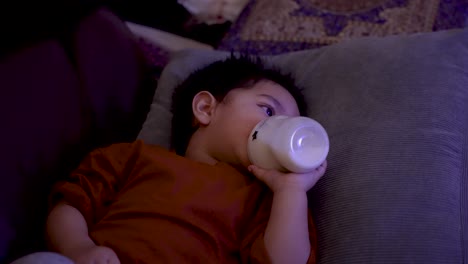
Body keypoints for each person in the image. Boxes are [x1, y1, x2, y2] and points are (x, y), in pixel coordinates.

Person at [45, 54, 327, 264]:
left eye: (290, 125)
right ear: (206, 108)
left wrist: (290, 190)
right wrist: (78, 249)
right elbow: (70, 204)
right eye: (268, 111)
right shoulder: (134, 156)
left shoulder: (266, 199)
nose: (280, 129)